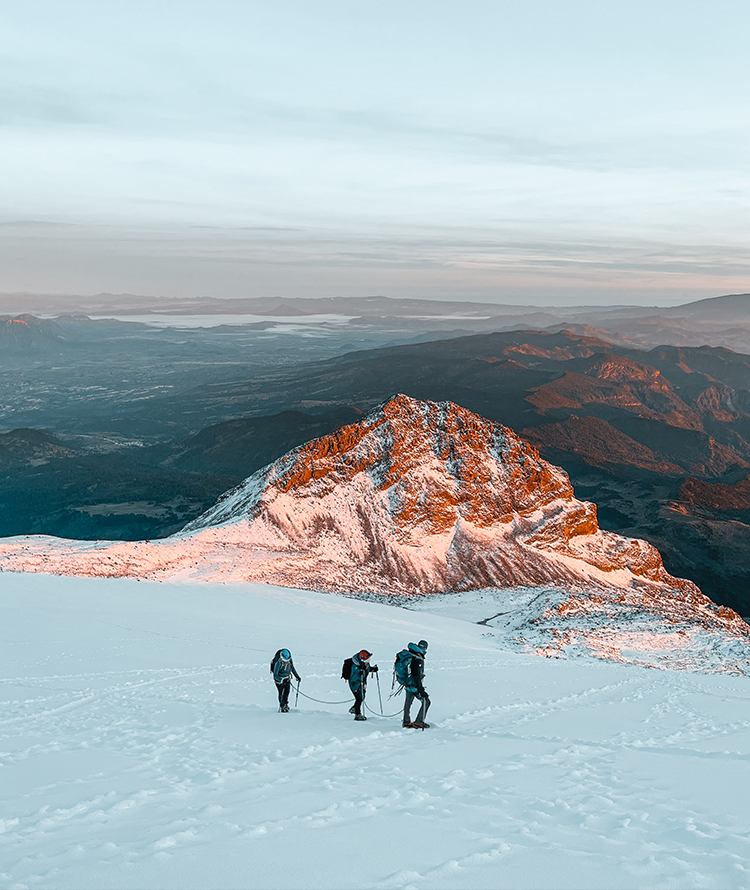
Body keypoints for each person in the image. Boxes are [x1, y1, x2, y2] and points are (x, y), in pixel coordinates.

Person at [397, 640, 430, 728]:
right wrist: (421, 690)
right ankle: (419, 721)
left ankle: (406, 722)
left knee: (408, 703)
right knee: (426, 701)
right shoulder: (417, 659)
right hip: (414, 686)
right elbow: (416, 676)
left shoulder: (411, 655)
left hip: (408, 684)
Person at [347, 649, 378, 721]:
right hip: (355, 685)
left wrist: (372, 669)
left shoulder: (364, 664)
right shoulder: (355, 666)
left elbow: (366, 669)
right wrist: (360, 672)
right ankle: (357, 714)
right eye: (367, 659)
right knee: (359, 698)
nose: (368, 661)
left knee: (362, 697)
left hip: (362, 684)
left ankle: (354, 708)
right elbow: (353, 678)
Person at [270, 648, 301, 713]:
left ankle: (285, 704)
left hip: (287, 679)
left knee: (287, 692)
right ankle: (282, 706)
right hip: (279, 681)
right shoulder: (278, 663)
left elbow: (292, 668)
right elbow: (275, 675)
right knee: (281, 693)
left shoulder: (290, 661)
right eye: (285, 660)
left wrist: (297, 676)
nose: (286, 661)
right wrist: (281, 680)